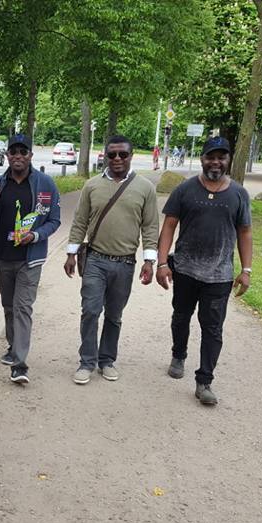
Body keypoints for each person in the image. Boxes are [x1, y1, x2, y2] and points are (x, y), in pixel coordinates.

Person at [155, 136, 253, 406]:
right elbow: (169, 226)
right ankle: (178, 355)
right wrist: (162, 264)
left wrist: (246, 270)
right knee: (181, 316)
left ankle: (204, 381)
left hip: (219, 275)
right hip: (185, 270)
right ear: (202, 158)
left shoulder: (238, 194)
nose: (215, 162)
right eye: (211, 157)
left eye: (221, 157)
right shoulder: (185, 190)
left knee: (213, 329)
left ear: (228, 160)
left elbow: (245, 232)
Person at [64, 134, 159, 385]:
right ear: (105, 156)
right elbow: (80, 221)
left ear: (131, 156)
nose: (117, 159)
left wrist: (149, 261)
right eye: (112, 154)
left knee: (114, 315)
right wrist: (71, 253)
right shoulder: (92, 185)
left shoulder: (145, 188)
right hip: (95, 260)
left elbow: (150, 226)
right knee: (90, 311)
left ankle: (106, 360)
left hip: (125, 263)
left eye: (123, 154)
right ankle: (87, 362)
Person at [0, 134, 61, 384]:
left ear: (30, 155)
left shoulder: (45, 184)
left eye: (23, 152)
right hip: (3, 259)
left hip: (30, 259)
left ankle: (19, 364)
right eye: (13, 151)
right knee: (8, 306)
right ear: (7, 155)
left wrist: (36, 235)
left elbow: (54, 220)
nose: (18, 156)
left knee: (23, 307)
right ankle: (12, 346)